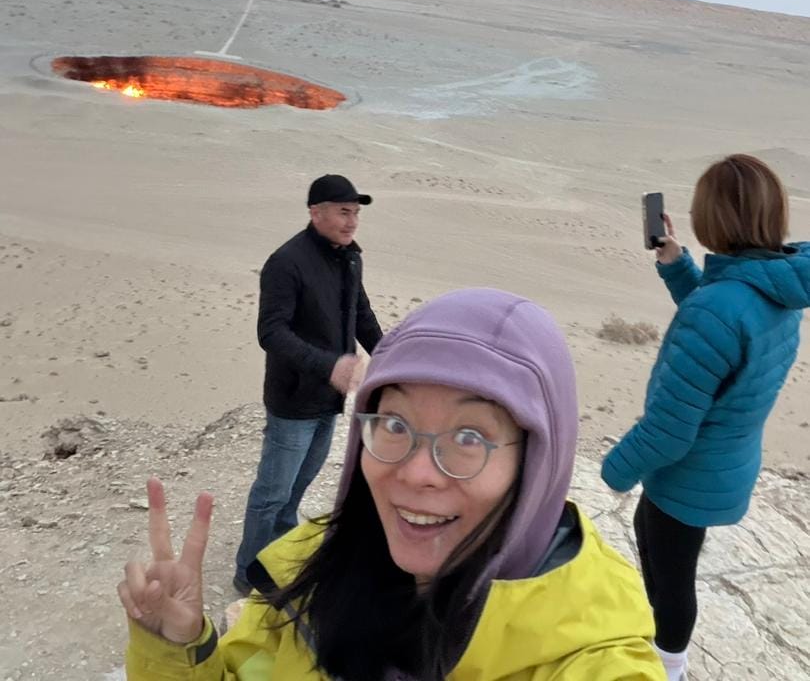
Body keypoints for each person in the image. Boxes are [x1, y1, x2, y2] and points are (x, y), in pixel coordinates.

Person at [121, 288, 666, 680]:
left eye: (469, 436)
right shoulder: (315, 568)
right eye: (395, 424)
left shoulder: (591, 656)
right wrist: (178, 648)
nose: (416, 473)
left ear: (537, 463)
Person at [602, 154, 810, 681]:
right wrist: (676, 265)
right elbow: (723, 322)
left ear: (713, 217)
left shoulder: (721, 308)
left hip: (689, 474)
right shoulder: (777, 288)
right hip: (726, 462)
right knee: (662, 552)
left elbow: (671, 431)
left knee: (670, 580)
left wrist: (614, 470)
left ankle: (667, 667)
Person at [232, 173, 382, 594]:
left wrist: (391, 355)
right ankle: (249, 574)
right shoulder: (286, 262)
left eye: (355, 213)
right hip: (294, 399)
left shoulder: (349, 257)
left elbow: (362, 313)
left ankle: (277, 556)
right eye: (342, 211)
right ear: (316, 213)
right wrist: (329, 366)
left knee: (298, 486)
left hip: (328, 400)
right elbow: (271, 333)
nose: (351, 221)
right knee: (273, 492)